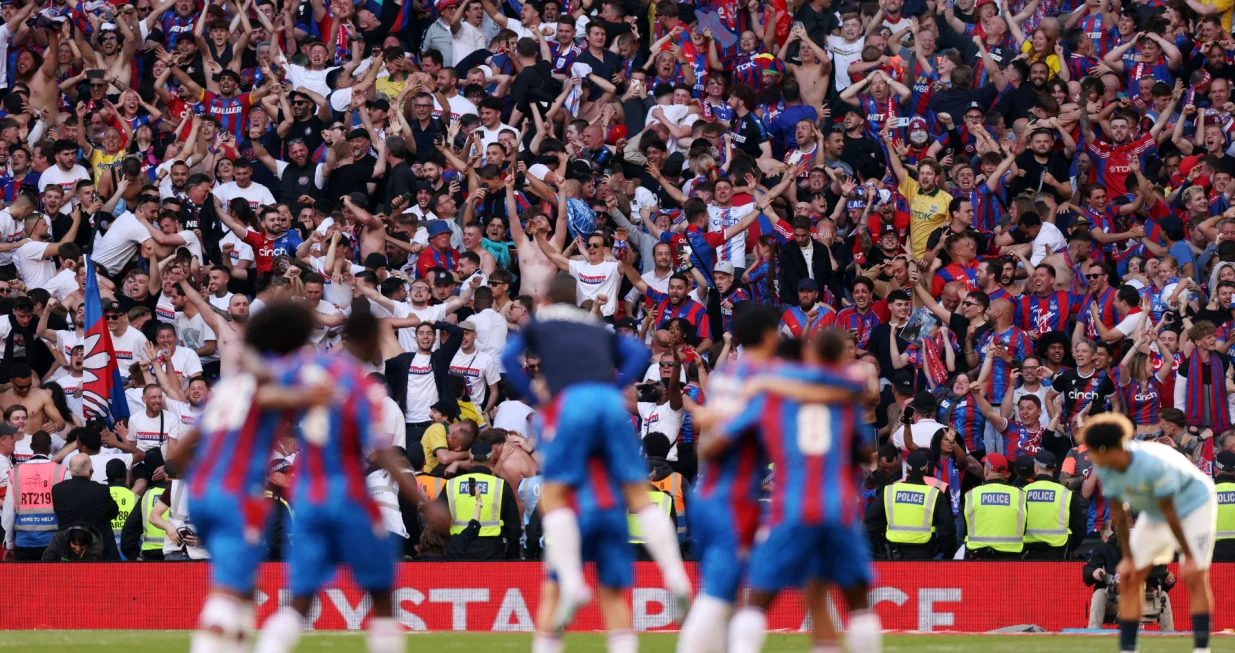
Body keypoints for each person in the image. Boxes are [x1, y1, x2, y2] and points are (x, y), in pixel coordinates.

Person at [501, 275, 691, 636]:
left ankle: (572, 580)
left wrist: (537, 392)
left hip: (569, 404)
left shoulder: (542, 324)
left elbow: (509, 357)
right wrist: (614, 386)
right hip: (607, 402)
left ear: (544, 301)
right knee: (638, 493)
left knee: (554, 494)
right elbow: (636, 352)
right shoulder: (594, 326)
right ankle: (675, 573)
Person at [255, 312, 424, 653]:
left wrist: (300, 401)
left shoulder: (309, 369)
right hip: (346, 494)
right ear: (370, 339)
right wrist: (421, 500)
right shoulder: (361, 386)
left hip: (307, 495)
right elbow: (383, 451)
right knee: (381, 592)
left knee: (300, 599)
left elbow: (263, 394)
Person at [175, 301, 338, 652]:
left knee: (244, 588)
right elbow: (268, 395)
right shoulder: (272, 383)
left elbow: (175, 455)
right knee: (226, 594)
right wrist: (308, 395)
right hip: (236, 493)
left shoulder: (226, 390)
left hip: (200, 492)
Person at [717, 330, 881, 653]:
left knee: (759, 599)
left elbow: (727, 437)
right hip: (838, 509)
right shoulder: (846, 398)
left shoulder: (776, 396)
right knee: (856, 604)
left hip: (791, 508)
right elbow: (864, 453)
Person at [1082, 413, 1218, 653]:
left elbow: (1171, 512)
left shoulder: (1150, 463)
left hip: (1196, 503)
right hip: (1157, 509)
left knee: (1195, 573)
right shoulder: (1106, 465)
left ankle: (1201, 648)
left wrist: (1187, 553)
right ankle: (1128, 647)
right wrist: (1129, 556)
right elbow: (1119, 515)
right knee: (1132, 575)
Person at [865, 449, 956, 560]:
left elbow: (870, 522)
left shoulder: (890, 491)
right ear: (926, 469)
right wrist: (942, 552)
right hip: (924, 555)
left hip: (893, 554)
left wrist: (879, 547)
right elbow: (948, 530)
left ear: (907, 469)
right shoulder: (934, 494)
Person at [1, 432, 70, 560]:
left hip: (24, 540)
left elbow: (9, 511)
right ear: (49, 447)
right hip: (53, 540)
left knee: (27, 579)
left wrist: (8, 543)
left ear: (31, 446)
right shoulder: (62, 472)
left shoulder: (15, 473)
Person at [51, 453, 120, 560]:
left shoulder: (57, 490)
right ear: (91, 470)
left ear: (70, 470)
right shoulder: (101, 490)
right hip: (99, 552)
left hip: (69, 550)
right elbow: (114, 513)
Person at [1021, 450, 1086, 560]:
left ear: (1036, 467)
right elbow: (1079, 529)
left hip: (1029, 553)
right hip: (1059, 554)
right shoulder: (1066, 493)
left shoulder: (1023, 492)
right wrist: (1068, 548)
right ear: (1054, 468)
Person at [961, 453, 1027, 559]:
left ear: (986, 470)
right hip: (1011, 557)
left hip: (978, 556)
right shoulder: (1020, 494)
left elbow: (964, 527)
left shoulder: (972, 494)